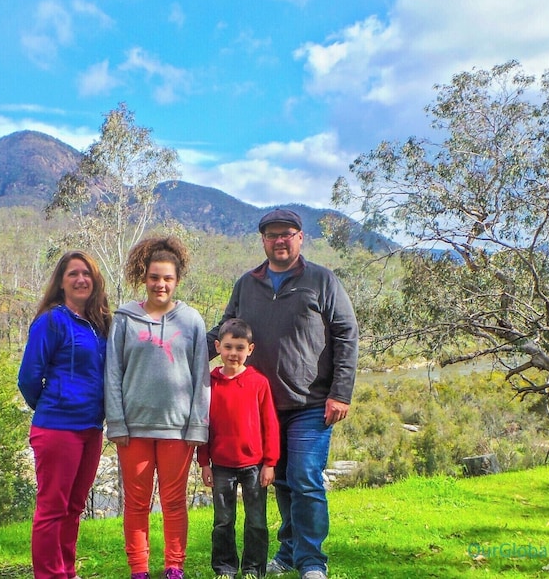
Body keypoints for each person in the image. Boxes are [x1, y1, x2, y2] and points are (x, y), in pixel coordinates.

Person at [208, 209, 359, 579]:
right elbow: (225, 331)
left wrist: (340, 392)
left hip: (311, 403)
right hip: (264, 406)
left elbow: (346, 333)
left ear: (300, 237)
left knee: (305, 478)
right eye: (272, 235)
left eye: (286, 234)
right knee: (281, 482)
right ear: (263, 240)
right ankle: (290, 551)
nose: (279, 240)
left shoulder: (322, 280)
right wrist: (179, 350)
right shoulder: (247, 284)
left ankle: (312, 562)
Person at [105, 236, 211, 579]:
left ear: (177, 280)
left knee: (174, 502)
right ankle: (139, 569)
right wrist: (116, 422)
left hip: (177, 430)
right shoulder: (125, 318)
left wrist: (197, 426)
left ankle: (173, 567)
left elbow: (201, 374)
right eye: (154, 277)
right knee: (136, 504)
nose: (160, 284)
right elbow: (112, 372)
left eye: (167, 278)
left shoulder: (191, 320)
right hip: (133, 428)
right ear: (144, 277)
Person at [18, 250, 112, 579]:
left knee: (73, 508)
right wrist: (54, 404)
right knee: (52, 509)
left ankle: (67, 571)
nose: (81, 279)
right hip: (58, 429)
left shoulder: (100, 325)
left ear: (95, 280)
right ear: (61, 282)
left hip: (91, 428)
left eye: (86, 273)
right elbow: (28, 378)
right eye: (73, 273)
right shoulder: (51, 321)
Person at [198, 318, 279, 579]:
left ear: (250, 349)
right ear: (217, 347)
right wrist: (204, 463)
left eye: (240, 348)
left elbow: (270, 424)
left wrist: (270, 463)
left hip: (254, 465)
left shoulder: (258, 382)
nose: (233, 353)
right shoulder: (209, 382)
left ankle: (254, 569)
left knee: (256, 521)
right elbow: (203, 425)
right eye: (228, 347)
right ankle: (225, 568)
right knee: (223, 521)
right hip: (221, 466)